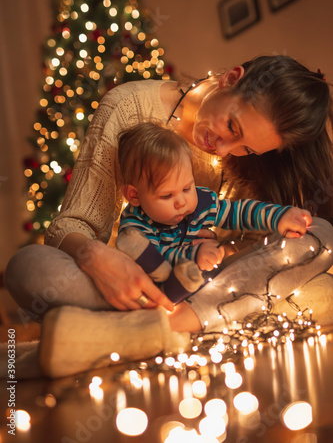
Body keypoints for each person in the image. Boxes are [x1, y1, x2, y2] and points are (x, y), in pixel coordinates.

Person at [4, 55, 333, 378]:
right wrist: (95, 255)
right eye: (232, 126)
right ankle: (174, 330)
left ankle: (146, 333)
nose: (222, 149)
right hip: (133, 288)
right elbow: (73, 225)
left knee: (321, 235)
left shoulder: (229, 176)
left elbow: (248, 231)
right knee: (29, 266)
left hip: (210, 285)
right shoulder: (131, 106)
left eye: (245, 148)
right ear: (231, 79)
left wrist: (219, 253)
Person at [116, 121, 312, 303]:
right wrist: (195, 254)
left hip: (198, 286)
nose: (181, 202)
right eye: (167, 196)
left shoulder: (201, 203)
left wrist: (278, 216)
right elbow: (157, 259)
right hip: (149, 290)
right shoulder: (135, 226)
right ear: (134, 195)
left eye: (186, 188)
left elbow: (239, 213)